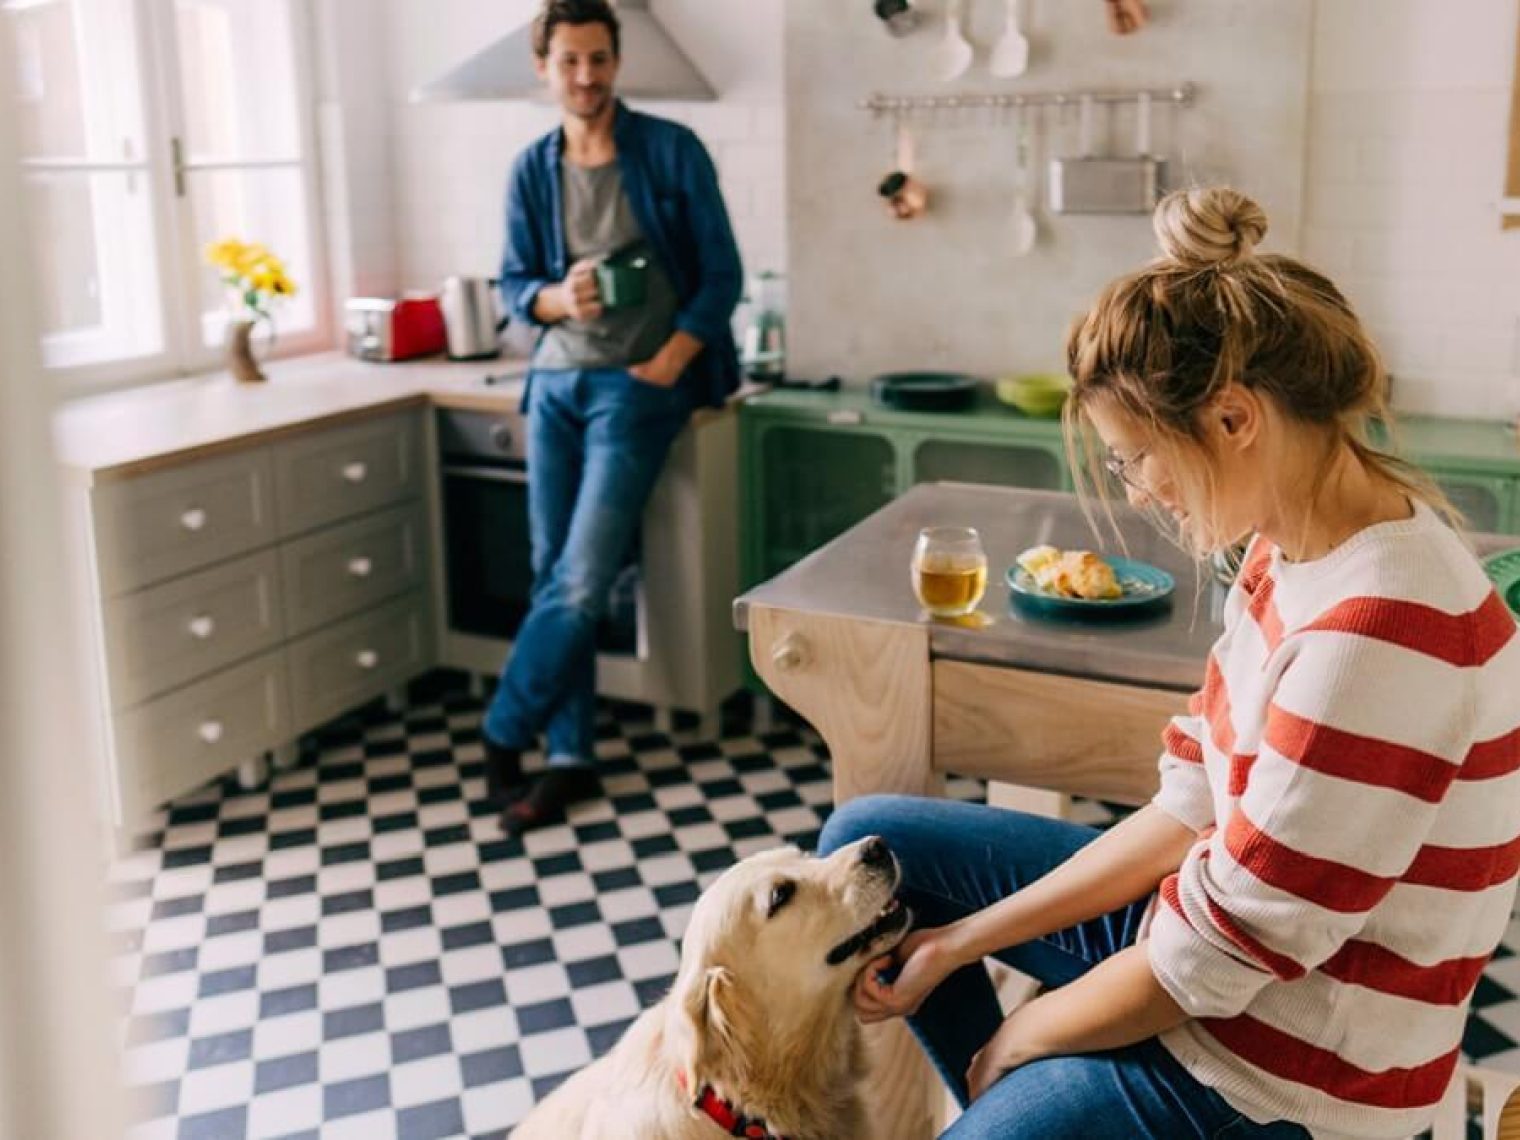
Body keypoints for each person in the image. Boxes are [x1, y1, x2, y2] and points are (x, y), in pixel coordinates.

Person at [820, 187, 1520, 1139]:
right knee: (876, 851)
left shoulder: (1378, 642)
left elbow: (1209, 965)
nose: (1139, 492)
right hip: (1223, 951)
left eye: (1136, 457)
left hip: (1297, 1076)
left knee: (999, 1099)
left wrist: (1019, 1040)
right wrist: (957, 946)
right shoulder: (1295, 542)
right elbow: (1193, 803)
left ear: (1234, 421)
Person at [484, 0, 743, 836]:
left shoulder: (669, 149)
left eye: (598, 59)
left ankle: (502, 729)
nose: (586, 77)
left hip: (636, 389)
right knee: (552, 572)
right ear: (544, 68)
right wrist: (556, 297)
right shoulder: (530, 169)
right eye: (569, 62)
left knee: (583, 577)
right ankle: (570, 757)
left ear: (616, 62)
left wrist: (669, 361)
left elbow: (721, 275)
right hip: (555, 386)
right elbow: (514, 285)